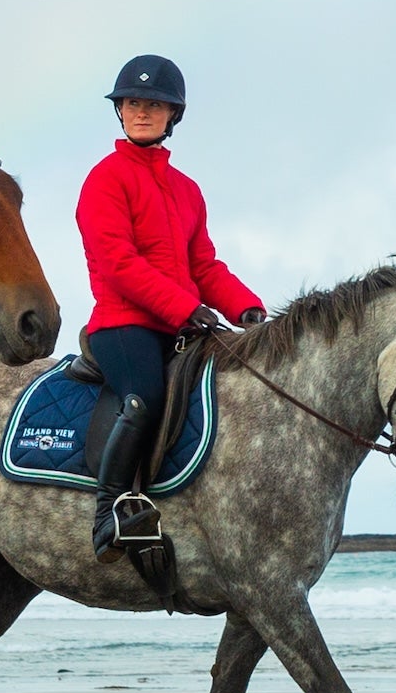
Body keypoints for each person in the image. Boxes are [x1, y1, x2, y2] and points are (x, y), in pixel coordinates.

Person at [74, 53, 266, 556]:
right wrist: (184, 309)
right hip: (123, 324)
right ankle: (108, 512)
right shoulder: (105, 179)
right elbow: (118, 262)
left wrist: (244, 308)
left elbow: (204, 266)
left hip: (178, 321)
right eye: (133, 103)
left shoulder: (187, 191)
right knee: (145, 399)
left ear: (172, 115)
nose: (142, 112)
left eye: (154, 105)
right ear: (120, 110)